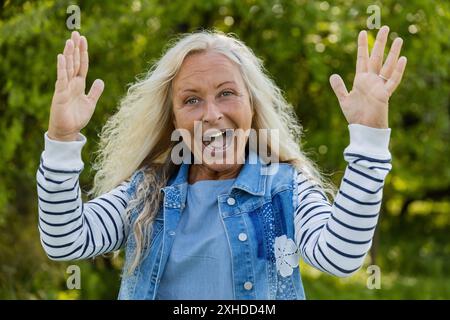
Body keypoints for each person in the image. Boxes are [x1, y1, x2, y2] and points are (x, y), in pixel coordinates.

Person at [37, 27, 406, 299]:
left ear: (252, 105)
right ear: (174, 119)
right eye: (192, 100)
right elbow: (65, 241)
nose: (212, 114)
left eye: (227, 93)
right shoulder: (147, 190)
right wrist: (62, 139)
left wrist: (369, 137)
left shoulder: (285, 187)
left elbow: (340, 257)